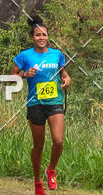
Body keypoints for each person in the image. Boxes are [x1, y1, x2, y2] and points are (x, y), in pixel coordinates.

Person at [12, 15, 70, 195]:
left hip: (55, 102)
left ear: (48, 36)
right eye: (38, 35)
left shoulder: (57, 55)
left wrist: (67, 79)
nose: (42, 38)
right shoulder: (25, 56)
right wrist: (24, 75)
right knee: (39, 145)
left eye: (44, 35)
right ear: (32, 38)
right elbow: (12, 77)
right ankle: (37, 181)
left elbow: (64, 74)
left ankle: (51, 170)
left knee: (59, 141)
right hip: (35, 104)